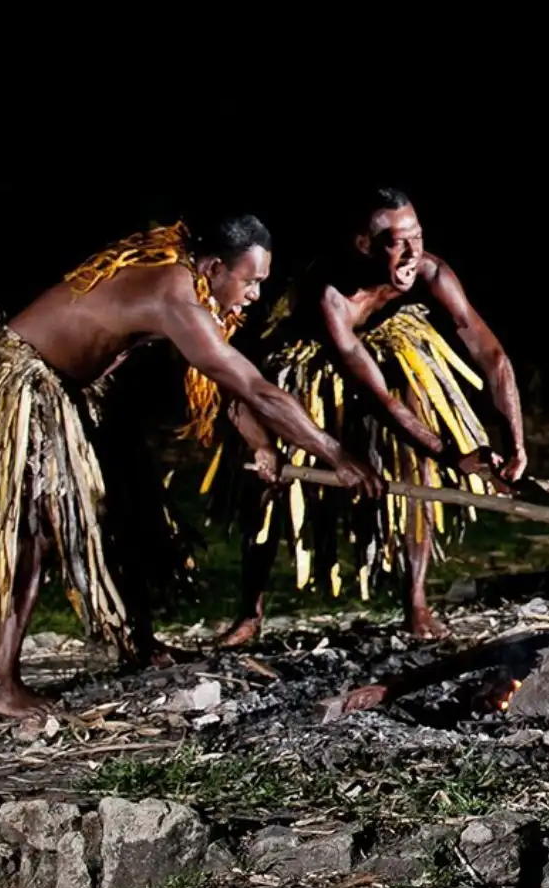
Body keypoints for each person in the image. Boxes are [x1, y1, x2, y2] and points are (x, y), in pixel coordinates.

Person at [0, 215, 384, 718]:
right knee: (34, 531)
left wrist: (263, 447)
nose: (254, 296)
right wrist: (335, 454)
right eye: (249, 281)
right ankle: (1, 685)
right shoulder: (176, 299)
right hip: (22, 379)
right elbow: (253, 388)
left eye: (262, 283)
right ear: (213, 267)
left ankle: (137, 641)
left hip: (71, 389)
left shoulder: (190, 282)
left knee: (129, 504)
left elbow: (230, 391)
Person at [208, 188, 527, 645]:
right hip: (310, 361)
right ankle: (249, 612)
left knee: (415, 472)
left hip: (390, 347)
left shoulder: (431, 271)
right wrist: (452, 454)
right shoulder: (331, 293)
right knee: (267, 478)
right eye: (397, 242)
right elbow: (376, 394)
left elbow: (491, 354)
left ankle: (416, 602)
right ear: (364, 245)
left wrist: (515, 441)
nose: (413, 252)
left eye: (417, 237)